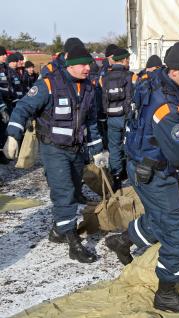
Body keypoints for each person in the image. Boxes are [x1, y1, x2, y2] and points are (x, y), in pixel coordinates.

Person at [106, 41, 179, 313]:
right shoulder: (167, 108)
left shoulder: (153, 80)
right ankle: (166, 293)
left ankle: (122, 241)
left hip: (141, 164)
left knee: (160, 218)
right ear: (173, 72)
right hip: (155, 172)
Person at [3, 45, 108, 263]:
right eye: (82, 64)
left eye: (89, 64)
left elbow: (91, 121)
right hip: (53, 149)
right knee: (65, 192)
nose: (87, 68)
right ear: (70, 64)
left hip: (77, 149)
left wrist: (98, 149)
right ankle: (73, 242)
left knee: (74, 187)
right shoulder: (49, 84)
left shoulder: (89, 88)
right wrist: (13, 135)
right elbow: (23, 108)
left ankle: (59, 231)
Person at [99, 47, 137, 190]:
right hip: (127, 117)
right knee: (131, 146)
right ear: (125, 60)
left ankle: (116, 178)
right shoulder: (131, 76)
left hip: (111, 117)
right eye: (128, 59)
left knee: (113, 148)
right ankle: (131, 176)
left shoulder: (104, 78)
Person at [0, 46, 11, 163]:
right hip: (2, 102)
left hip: (6, 101)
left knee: (4, 129)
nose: (5, 56)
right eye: (3, 55)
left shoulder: (4, 68)